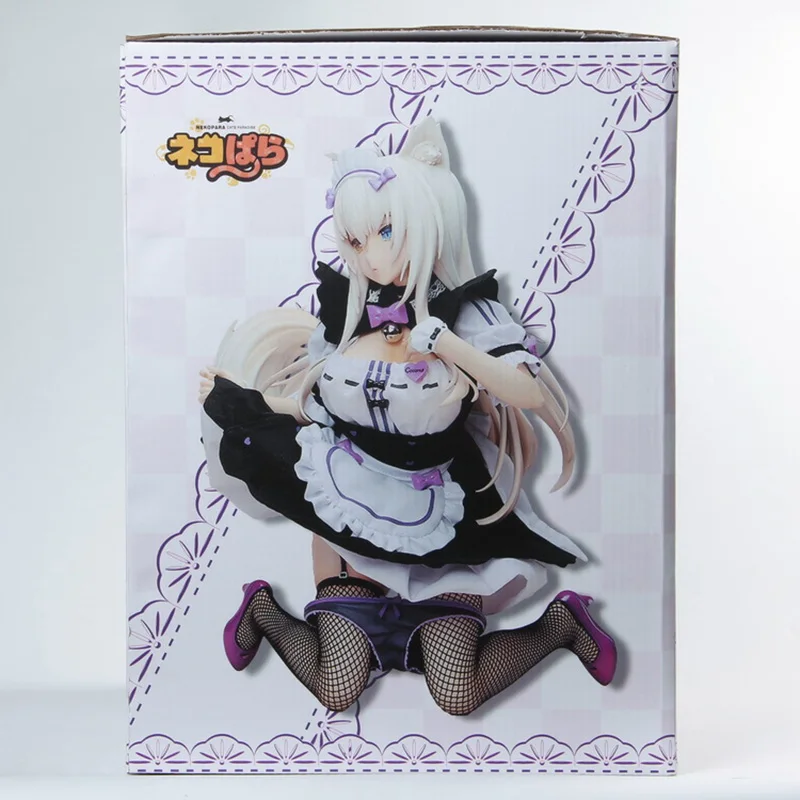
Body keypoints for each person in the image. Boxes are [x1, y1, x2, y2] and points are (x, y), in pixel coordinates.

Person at [198, 118, 617, 715]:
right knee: (338, 688)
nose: (370, 256)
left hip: (439, 529)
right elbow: (315, 406)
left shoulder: (466, 313)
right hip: (350, 520)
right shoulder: (346, 311)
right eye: (355, 240)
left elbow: (526, 391)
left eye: (386, 231)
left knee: (456, 692)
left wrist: (449, 344)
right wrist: (241, 399)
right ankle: (264, 610)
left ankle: (561, 626)